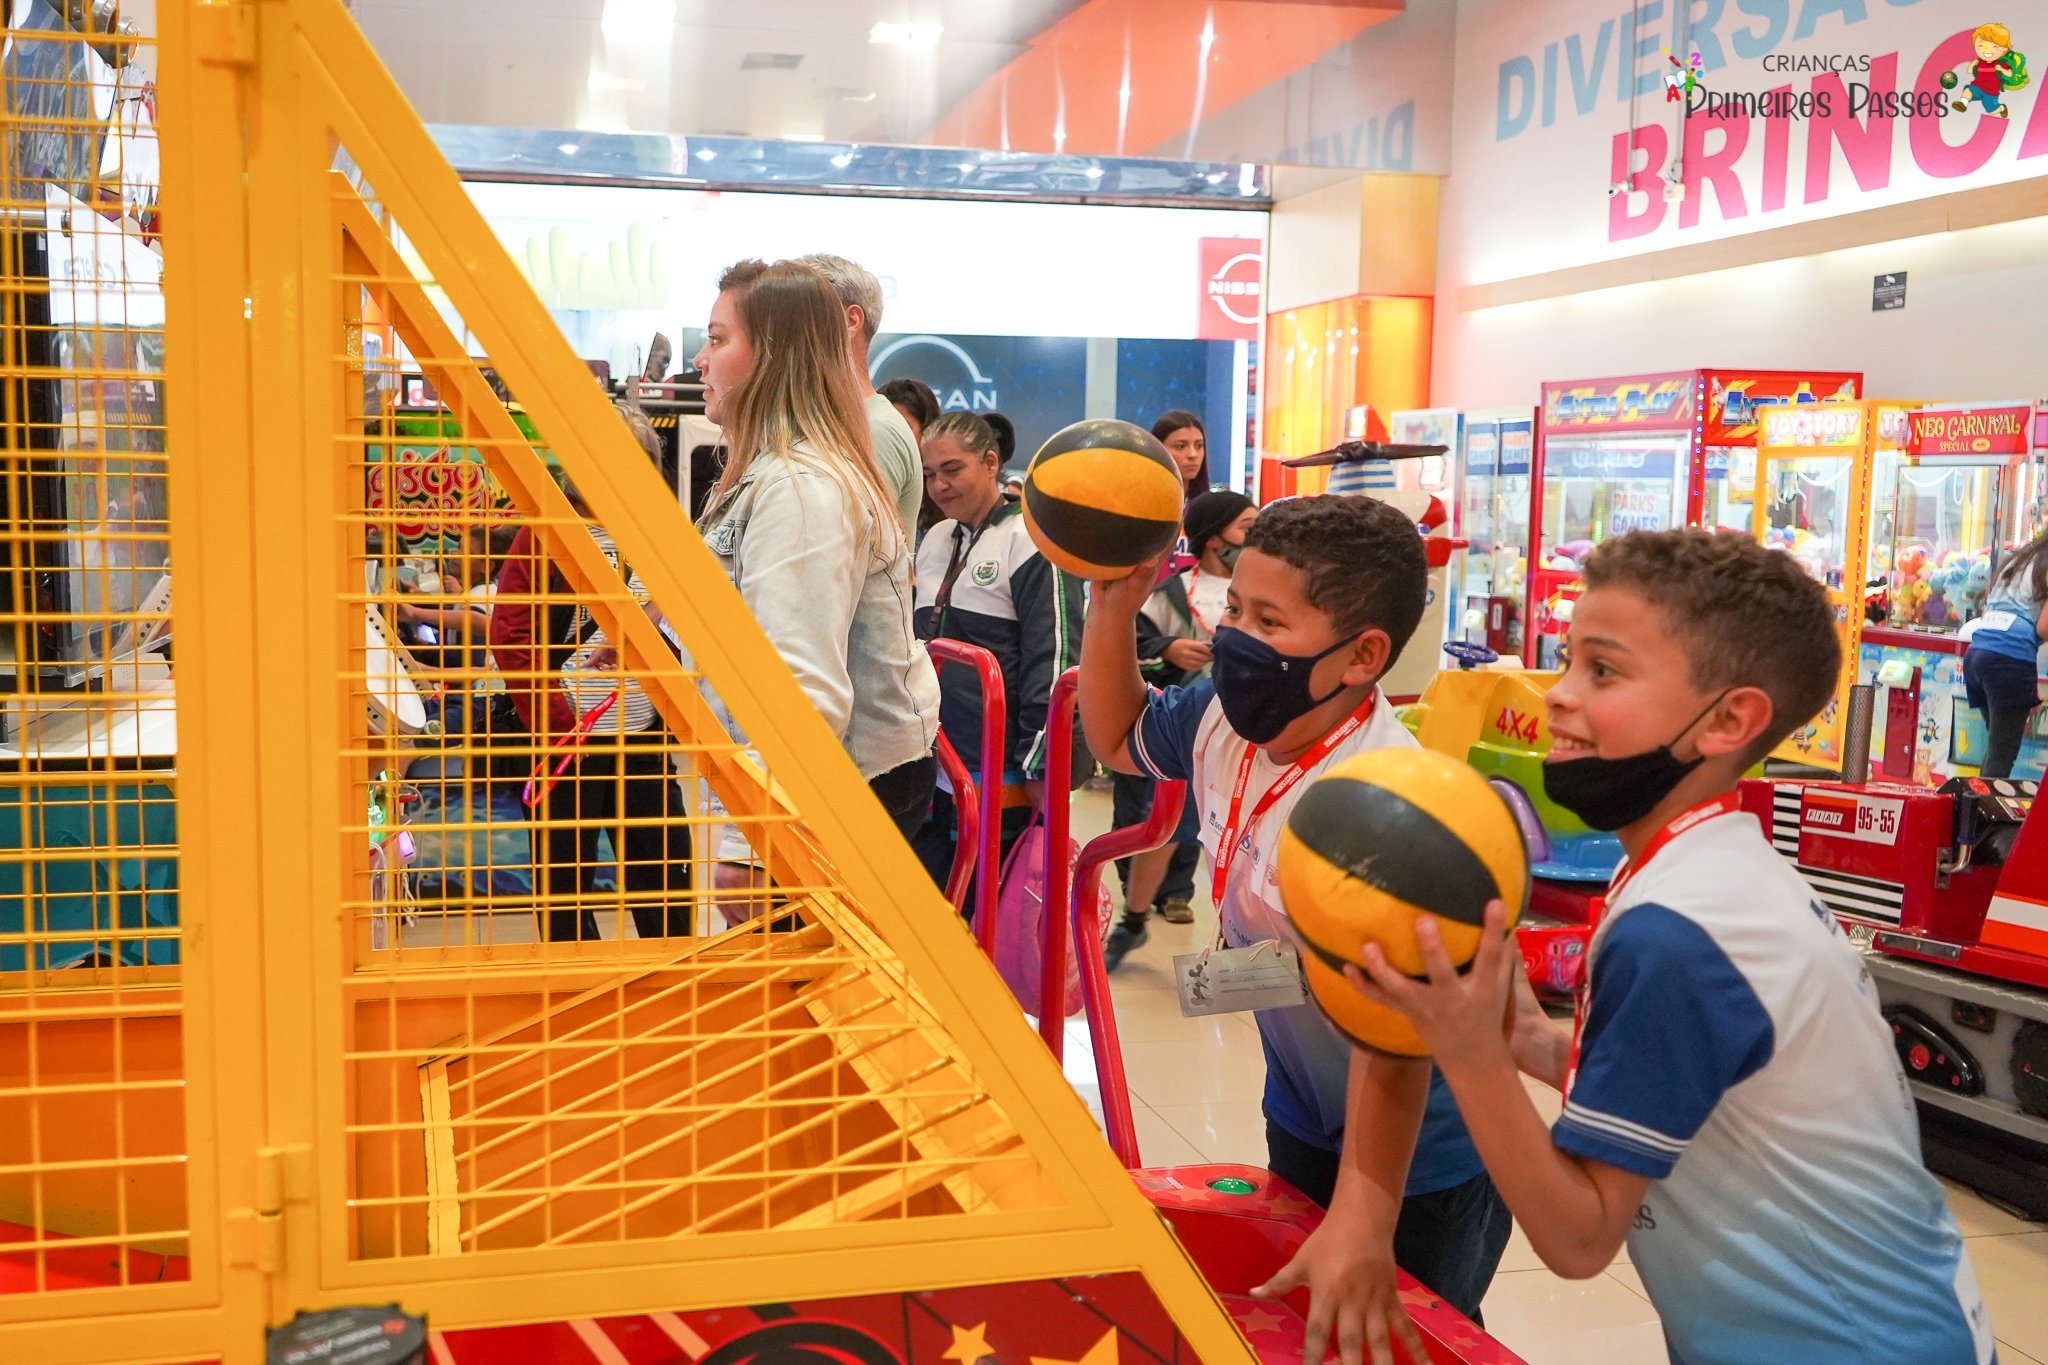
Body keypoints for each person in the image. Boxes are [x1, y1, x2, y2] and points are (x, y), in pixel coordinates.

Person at [1347, 528, 1993, 1365]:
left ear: (1730, 718)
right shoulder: (1708, 860)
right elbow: (1703, 1082)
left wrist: (1471, 1057)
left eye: (1603, 671)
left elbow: (1579, 1239)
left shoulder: (1678, 930)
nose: (1559, 697)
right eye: (1567, 660)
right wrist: (1527, 1040)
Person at [1078, 494, 1508, 1357]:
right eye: (1233, 606)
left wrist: (1366, 1203)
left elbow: (1402, 1045)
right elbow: (1119, 735)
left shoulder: (1386, 803)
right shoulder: (1223, 719)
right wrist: (1111, 605)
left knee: (1413, 1333)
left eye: (1268, 620)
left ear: (1363, 655)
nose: (1235, 635)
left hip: (1421, 1151)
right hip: (1305, 1104)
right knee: (1317, 1327)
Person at [692, 259, 940, 847]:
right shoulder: (775, 472)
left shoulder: (802, 487)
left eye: (718, 339)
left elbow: (800, 689)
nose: (699, 360)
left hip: (834, 788)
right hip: (833, 779)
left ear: (773, 356)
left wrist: (746, 840)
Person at [488, 404, 693, 942]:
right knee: (564, 893)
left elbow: (682, 620)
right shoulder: (550, 529)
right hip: (568, 743)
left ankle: (673, 994)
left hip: (642, 739)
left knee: (666, 885)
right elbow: (510, 633)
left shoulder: (659, 533)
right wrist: (556, 721)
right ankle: (578, 997)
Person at [911, 410, 1084, 899]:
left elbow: (1055, 658)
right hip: (939, 758)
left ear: (990, 463)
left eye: (951, 470)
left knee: (993, 909)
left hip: (1003, 765)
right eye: (929, 475)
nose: (939, 486)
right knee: (939, 900)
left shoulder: (1031, 538)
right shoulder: (939, 537)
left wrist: (1042, 765)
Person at [1103, 489, 1256, 968]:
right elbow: (1133, 644)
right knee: (1166, 824)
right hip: (1194, 723)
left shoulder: (1265, 584)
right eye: (1246, 529)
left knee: (1238, 830)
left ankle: (1234, 931)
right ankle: (1133, 917)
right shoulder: (1168, 590)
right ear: (1212, 540)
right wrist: (1168, 648)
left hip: (1255, 728)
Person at [795, 253, 922, 536]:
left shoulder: (875, 429)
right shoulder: (830, 423)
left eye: (800, 316)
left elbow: (849, 556)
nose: (783, 332)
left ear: (851, 320)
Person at [1964, 529, 2048, 778]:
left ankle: (1975, 810)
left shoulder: (2019, 560)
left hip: (1978, 653)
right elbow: (2043, 626)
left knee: (1995, 749)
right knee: (2001, 756)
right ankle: (1983, 814)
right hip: (2009, 660)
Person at [1153, 408, 1211, 501]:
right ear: (1158, 449)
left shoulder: (1209, 505)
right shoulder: (1141, 500)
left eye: (1199, 446)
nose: (1193, 455)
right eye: (1180, 446)